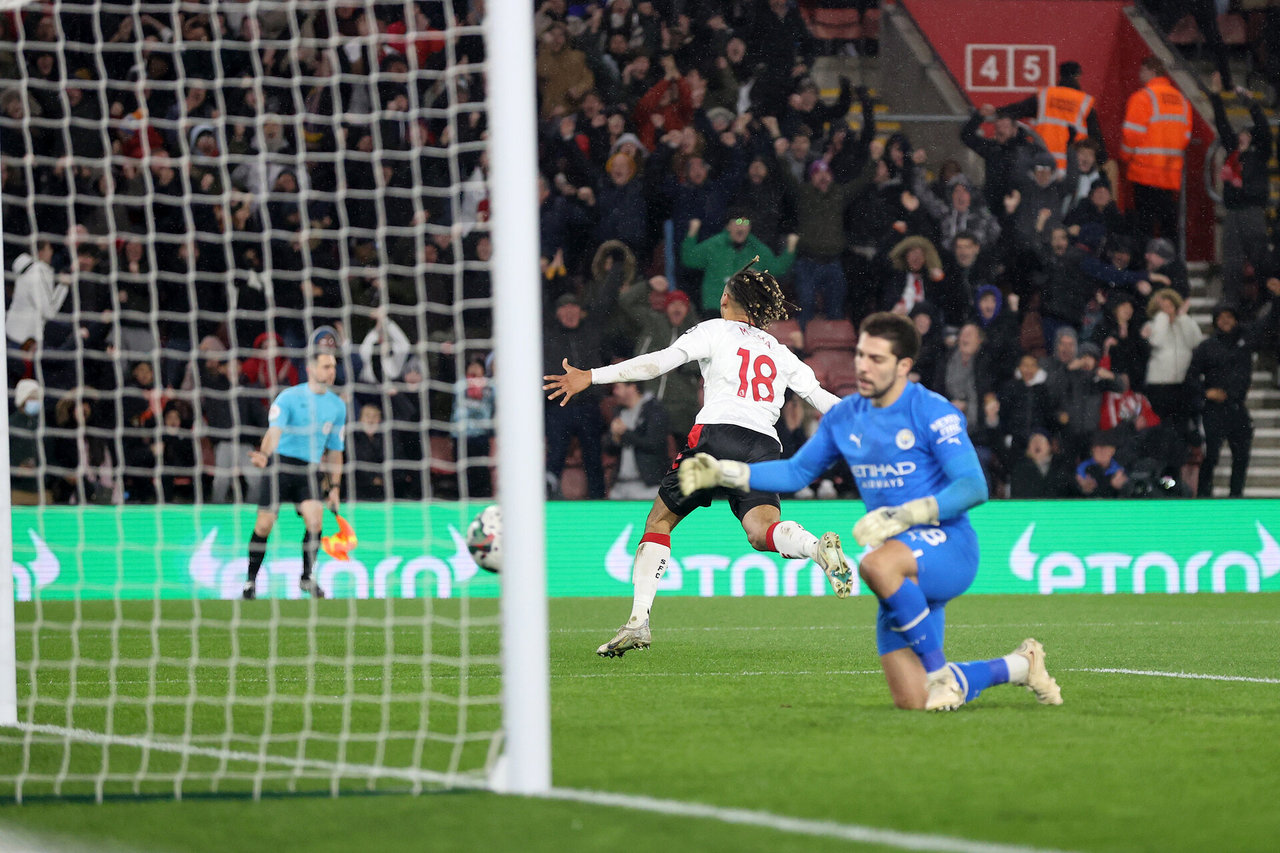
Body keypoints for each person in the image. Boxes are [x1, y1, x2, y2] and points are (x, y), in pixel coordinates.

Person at [678, 312, 1062, 711]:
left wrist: (905, 515)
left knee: (874, 565)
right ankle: (1021, 665)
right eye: (861, 355)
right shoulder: (845, 417)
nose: (863, 365)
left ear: (903, 366)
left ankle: (940, 674)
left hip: (947, 546)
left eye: (876, 359)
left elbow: (973, 486)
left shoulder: (932, 411)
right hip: (898, 562)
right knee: (913, 701)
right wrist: (726, 472)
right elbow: (796, 472)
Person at [543, 265, 850, 657]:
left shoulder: (714, 330)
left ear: (726, 300)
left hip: (715, 435)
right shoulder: (780, 351)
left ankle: (637, 622)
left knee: (659, 522)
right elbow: (822, 399)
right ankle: (814, 547)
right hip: (762, 445)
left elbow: (657, 363)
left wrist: (593, 376)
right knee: (761, 532)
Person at [242, 347, 346, 600]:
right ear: (311, 369)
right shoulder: (288, 397)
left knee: (315, 519)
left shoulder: (337, 406)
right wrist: (264, 454)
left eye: (333, 366)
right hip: (280, 465)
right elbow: (274, 432)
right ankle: (250, 581)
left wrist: (334, 488)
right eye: (326, 366)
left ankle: (307, 577)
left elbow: (335, 451)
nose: (331, 371)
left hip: (309, 469)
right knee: (264, 525)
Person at [1185, 305, 1257, 497]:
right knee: (1210, 457)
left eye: (1229, 316)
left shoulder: (1244, 345)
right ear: (1215, 321)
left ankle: (1236, 496)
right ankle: (1204, 497)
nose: (1225, 320)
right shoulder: (1206, 347)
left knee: (1241, 456)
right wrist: (1206, 392)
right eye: (1221, 317)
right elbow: (1191, 376)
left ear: (1235, 320)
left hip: (1237, 408)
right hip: (1214, 409)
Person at [1119, 57, 1191, 249]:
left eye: (1141, 71)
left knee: (1145, 228)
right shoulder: (1182, 100)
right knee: (1169, 227)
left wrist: (1125, 157)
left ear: (1151, 71)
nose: (1139, 75)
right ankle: (1171, 264)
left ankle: (1147, 264)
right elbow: (1185, 137)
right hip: (1170, 176)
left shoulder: (1142, 98)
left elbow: (1131, 135)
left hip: (1145, 174)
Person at [1000, 60, 1107, 175]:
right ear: (1078, 76)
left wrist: (997, 112)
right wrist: (1101, 158)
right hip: (1071, 166)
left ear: (1060, 75)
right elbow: (1095, 135)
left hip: (1043, 165)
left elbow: (1018, 109)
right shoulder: (1084, 102)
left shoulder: (1046, 96)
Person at [604, 380, 670, 500]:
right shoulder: (619, 412)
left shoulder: (654, 410)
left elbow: (654, 444)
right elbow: (609, 450)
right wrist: (615, 437)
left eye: (617, 387)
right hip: (620, 486)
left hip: (648, 487)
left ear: (632, 388)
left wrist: (625, 432)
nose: (614, 392)